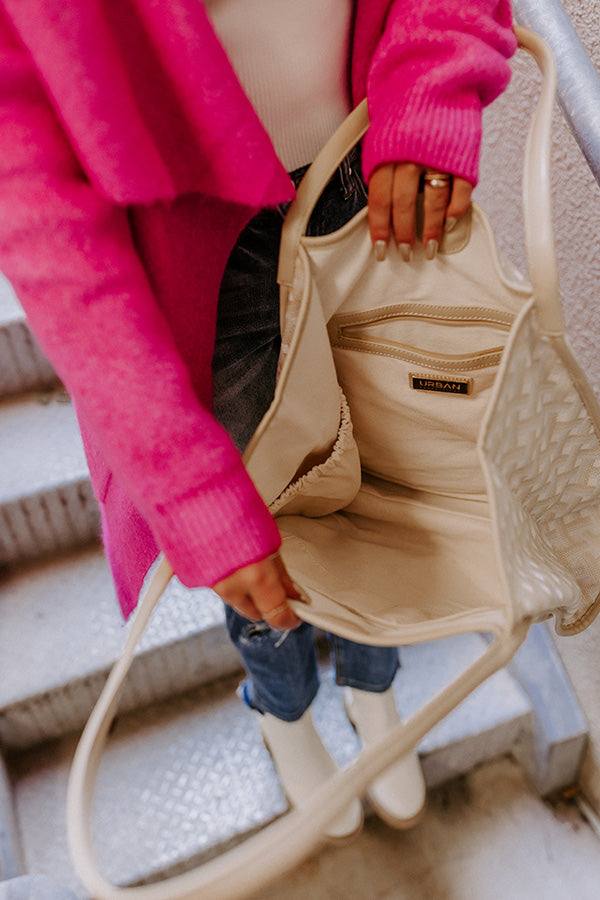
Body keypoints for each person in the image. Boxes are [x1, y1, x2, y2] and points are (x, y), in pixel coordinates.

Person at [0, 0, 516, 840]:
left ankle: (372, 684)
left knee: (385, 493)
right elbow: (30, 183)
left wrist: (435, 70)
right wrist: (185, 481)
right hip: (195, 247)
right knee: (259, 551)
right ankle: (285, 710)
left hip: (368, 172)